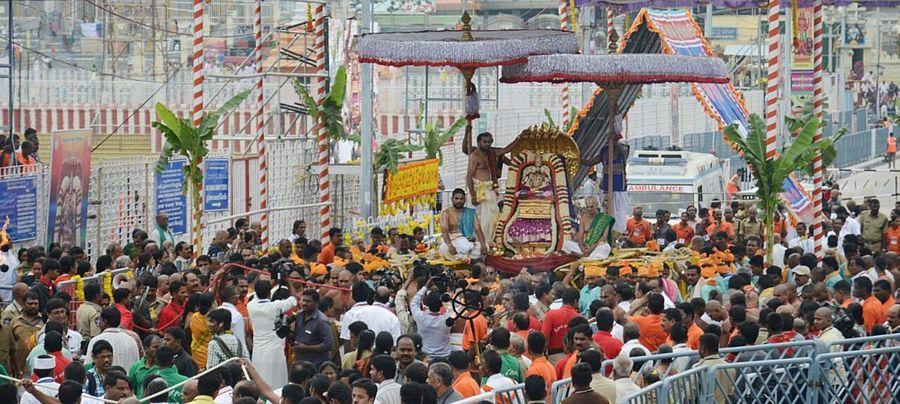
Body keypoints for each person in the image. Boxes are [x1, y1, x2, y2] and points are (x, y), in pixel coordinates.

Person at [463, 128, 520, 240]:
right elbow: (469, 177)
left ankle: (489, 243)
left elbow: (507, 149)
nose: (487, 144)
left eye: (489, 141)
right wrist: (473, 196)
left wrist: (520, 138)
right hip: (479, 192)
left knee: (492, 219)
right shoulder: (475, 155)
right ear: (479, 142)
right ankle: (479, 243)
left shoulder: (493, 153)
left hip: (490, 190)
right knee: (479, 220)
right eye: (485, 142)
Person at [248, 279, 298, 390]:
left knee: (260, 383)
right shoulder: (276, 306)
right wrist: (287, 280)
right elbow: (294, 299)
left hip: (258, 352)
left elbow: (259, 293)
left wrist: (272, 283)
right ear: (269, 293)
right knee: (277, 385)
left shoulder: (251, 306)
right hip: (275, 352)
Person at [438, 188, 488, 260]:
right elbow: (444, 231)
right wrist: (450, 245)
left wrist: (483, 245)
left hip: (467, 240)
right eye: (456, 198)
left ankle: (462, 257)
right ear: (452, 199)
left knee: (485, 246)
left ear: (465, 200)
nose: (459, 201)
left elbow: (478, 229)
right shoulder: (446, 213)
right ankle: (468, 258)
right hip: (453, 241)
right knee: (444, 249)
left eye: (461, 199)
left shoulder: (470, 212)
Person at [410, 279, 452, 360]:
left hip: (425, 357)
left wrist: (425, 287)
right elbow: (455, 309)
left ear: (427, 303)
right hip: (444, 356)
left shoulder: (421, 317)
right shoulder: (447, 318)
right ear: (441, 304)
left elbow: (414, 303)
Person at [293, 288, 333, 367]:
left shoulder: (322, 320)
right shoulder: (299, 315)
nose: (304, 303)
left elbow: (328, 345)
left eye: (308, 301)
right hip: (299, 361)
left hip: (316, 363)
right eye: (303, 300)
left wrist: (306, 348)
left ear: (316, 303)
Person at [694, 333, 734, 402]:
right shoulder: (730, 367)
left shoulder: (698, 368)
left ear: (703, 350)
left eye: (699, 347)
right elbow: (730, 393)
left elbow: (690, 394)